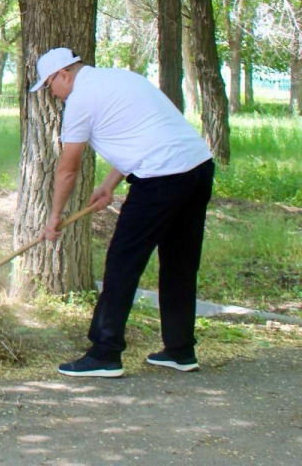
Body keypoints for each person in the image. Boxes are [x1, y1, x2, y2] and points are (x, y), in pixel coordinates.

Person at [33, 47, 215, 378]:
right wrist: (108, 183)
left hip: (161, 177)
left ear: (64, 74)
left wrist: (54, 217)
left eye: (49, 86)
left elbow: (68, 170)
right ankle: (180, 350)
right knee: (179, 262)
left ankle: (105, 352)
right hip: (198, 168)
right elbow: (144, 132)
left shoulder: (79, 102)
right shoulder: (119, 78)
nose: (51, 94)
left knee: (122, 261)